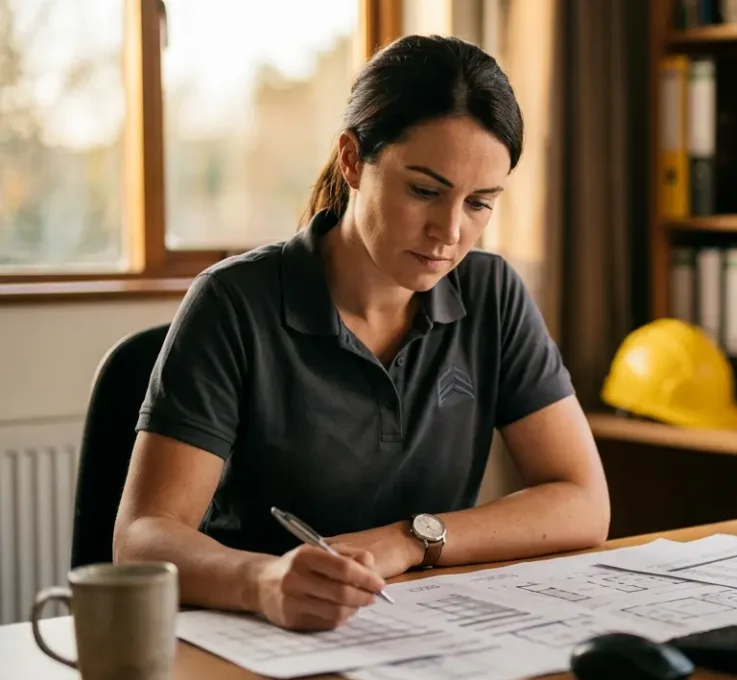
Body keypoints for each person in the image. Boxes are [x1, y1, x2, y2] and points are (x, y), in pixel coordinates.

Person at [112, 35, 610, 632]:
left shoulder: (492, 294)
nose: (449, 232)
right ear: (352, 160)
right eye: (424, 190)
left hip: (421, 631)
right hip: (259, 633)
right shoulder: (232, 302)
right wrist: (263, 580)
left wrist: (407, 540)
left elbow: (583, 501)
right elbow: (141, 540)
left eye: (480, 203)